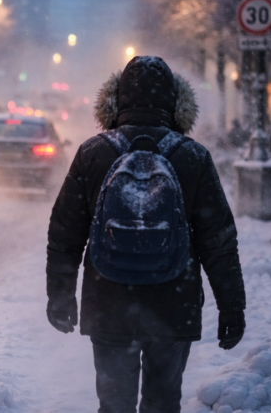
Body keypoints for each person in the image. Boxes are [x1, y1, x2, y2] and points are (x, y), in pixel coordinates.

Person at [45, 56, 246, 413]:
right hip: (174, 303)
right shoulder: (193, 157)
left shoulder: (93, 154)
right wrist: (231, 307)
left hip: (108, 302)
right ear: (176, 103)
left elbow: (65, 234)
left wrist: (60, 297)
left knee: (114, 402)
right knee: (163, 401)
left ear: (116, 101)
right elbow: (218, 241)